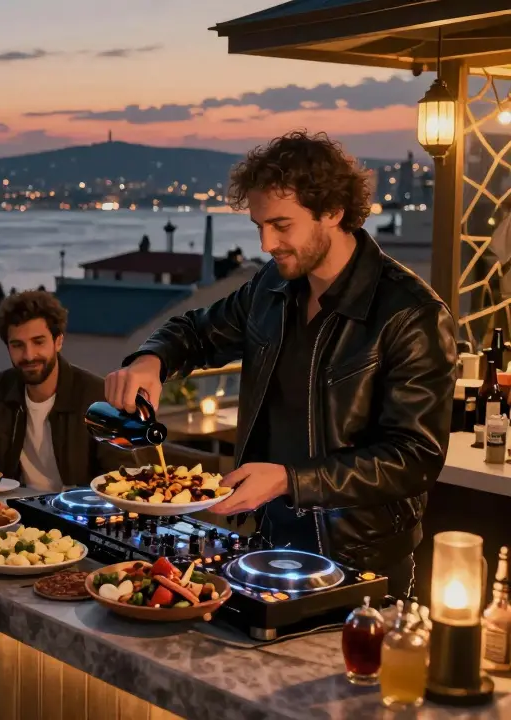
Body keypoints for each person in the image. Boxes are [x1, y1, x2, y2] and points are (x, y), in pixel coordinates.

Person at [104, 131, 457, 598]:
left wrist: (291, 481)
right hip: (266, 538)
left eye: (282, 225)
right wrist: (151, 360)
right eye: (259, 226)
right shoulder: (271, 286)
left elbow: (413, 459)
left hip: (362, 559)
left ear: (332, 211)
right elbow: (196, 331)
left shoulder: (411, 313)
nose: (267, 242)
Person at [0, 290, 115, 490]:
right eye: (18, 345)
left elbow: (120, 477)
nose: (28, 355)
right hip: (17, 511)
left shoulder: (97, 395)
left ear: (58, 341)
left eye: (38, 342)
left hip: (79, 513)